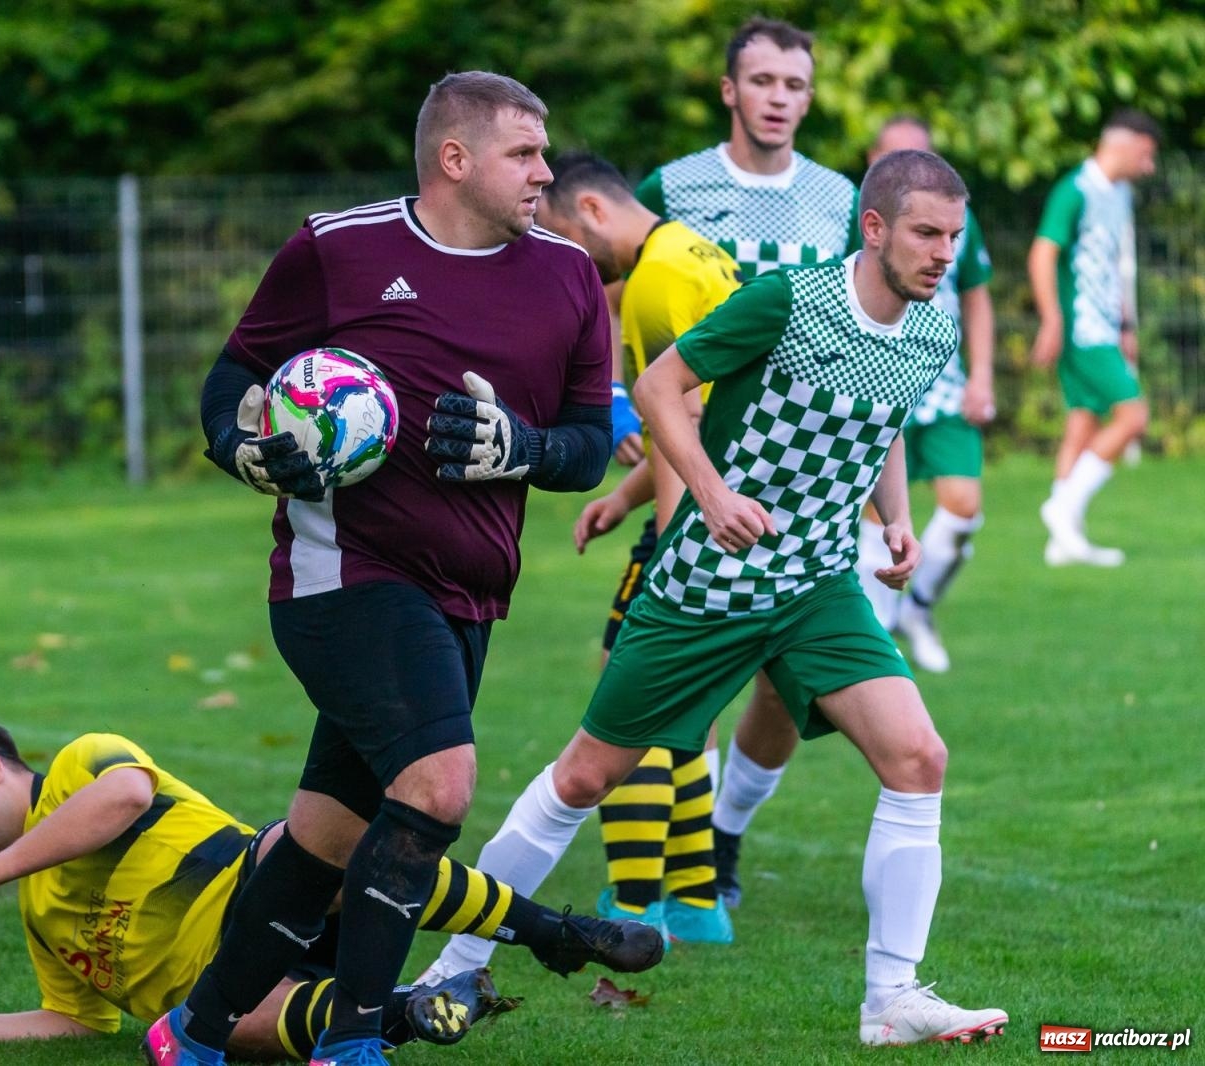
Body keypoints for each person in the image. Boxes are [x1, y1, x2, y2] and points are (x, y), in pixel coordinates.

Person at [429, 149, 1010, 1046]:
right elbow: (661, 385)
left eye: (954, 237)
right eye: (927, 234)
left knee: (918, 757)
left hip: (817, 583)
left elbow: (882, 423)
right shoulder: (788, 301)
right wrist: (708, 492)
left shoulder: (931, 330)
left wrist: (894, 519)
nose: (943, 253)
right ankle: (454, 964)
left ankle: (891, 1000)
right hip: (708, 585)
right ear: (875, 228)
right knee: (584, 776)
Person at [151, 71, 637, 1066]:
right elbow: (232, 383)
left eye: (544, 153)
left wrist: (518, 446)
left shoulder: (567, 279)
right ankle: (354, 1041)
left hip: (470, 595)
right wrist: (245, 446)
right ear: (454, 159)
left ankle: (192, 1034)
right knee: (440, 784)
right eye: (523, 153)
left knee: (327, 836)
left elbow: (590, 442)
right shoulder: (339, 248)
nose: (546, 172)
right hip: (344, 577)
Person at [0, 711, 663, 1059]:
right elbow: (75, 1023)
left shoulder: (78, 766)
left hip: (271, 893)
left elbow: (130, 796)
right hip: (230, 992)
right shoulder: (39, 917)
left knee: (320, 849)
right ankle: (411, 1015)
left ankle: (556, 935)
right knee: (195, 1027)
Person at [631, 16, 862, 918]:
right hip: (693, 455)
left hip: (807, 468)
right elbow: (620, 292)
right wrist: (622, 409)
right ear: (730, 90)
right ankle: (677, 872)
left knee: (785, 677)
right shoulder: (674, 186)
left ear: (808, 96)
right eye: (761, 81)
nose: (778, 99)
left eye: (794, 85)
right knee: (692, 654)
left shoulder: (843, 200)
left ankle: (724, 830)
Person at [530, 150, 742, 946]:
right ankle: (698, 905)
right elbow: (704, 411)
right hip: (735, 509)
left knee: (631, 701)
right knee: (687, 712)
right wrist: (623, 499)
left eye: (560, 234)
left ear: (589, 209)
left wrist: (669, 553)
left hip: (701, 526)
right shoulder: (691, 249)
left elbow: (680, 425)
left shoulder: (652, 284)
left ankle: (631, 903)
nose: (569, 259)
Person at [852, 116, 996, 673]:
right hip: (878, 378)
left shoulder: (957, 218)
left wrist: (982, 374)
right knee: (876, 515)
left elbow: (977, 295)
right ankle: (878, 633)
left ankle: (918, 608)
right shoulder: (859, 217)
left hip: (945, 382)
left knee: (963, 508)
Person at [1030, 109, 1160, 567]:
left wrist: (1126, 326)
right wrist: (1051, 319)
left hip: (1105, 328)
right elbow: (1043, 254)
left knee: (1082, 424)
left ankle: (1062, 542)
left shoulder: (1118, 194)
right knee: (1133, 416)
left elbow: (1110, 267)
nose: (1150, 167)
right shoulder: (1075, 190)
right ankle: (1061, 510)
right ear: (1122, 145)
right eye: (1146, 155)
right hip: (1083, 330)